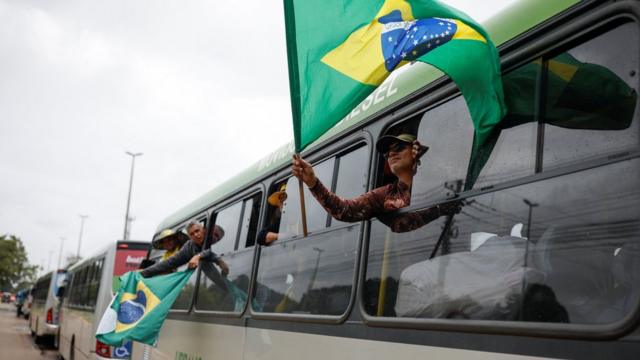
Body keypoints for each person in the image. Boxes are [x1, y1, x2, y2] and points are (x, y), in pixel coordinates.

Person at [292, 133, 461, 232]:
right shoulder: (384, 195)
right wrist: (312, 182)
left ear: (416, 151)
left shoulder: (440, 181)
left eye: (399, 148)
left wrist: (431, 159)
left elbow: (459, 180)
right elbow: (344, 210)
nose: (391, 154)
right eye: (388, 154)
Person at [141, 221, 229, 278]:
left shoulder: (218, 246)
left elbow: (207, 253)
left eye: (217, 236)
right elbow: (167, 264)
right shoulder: (189, 247)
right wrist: (142, 273)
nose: (195, 235)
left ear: (203, 230)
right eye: (192, 234)